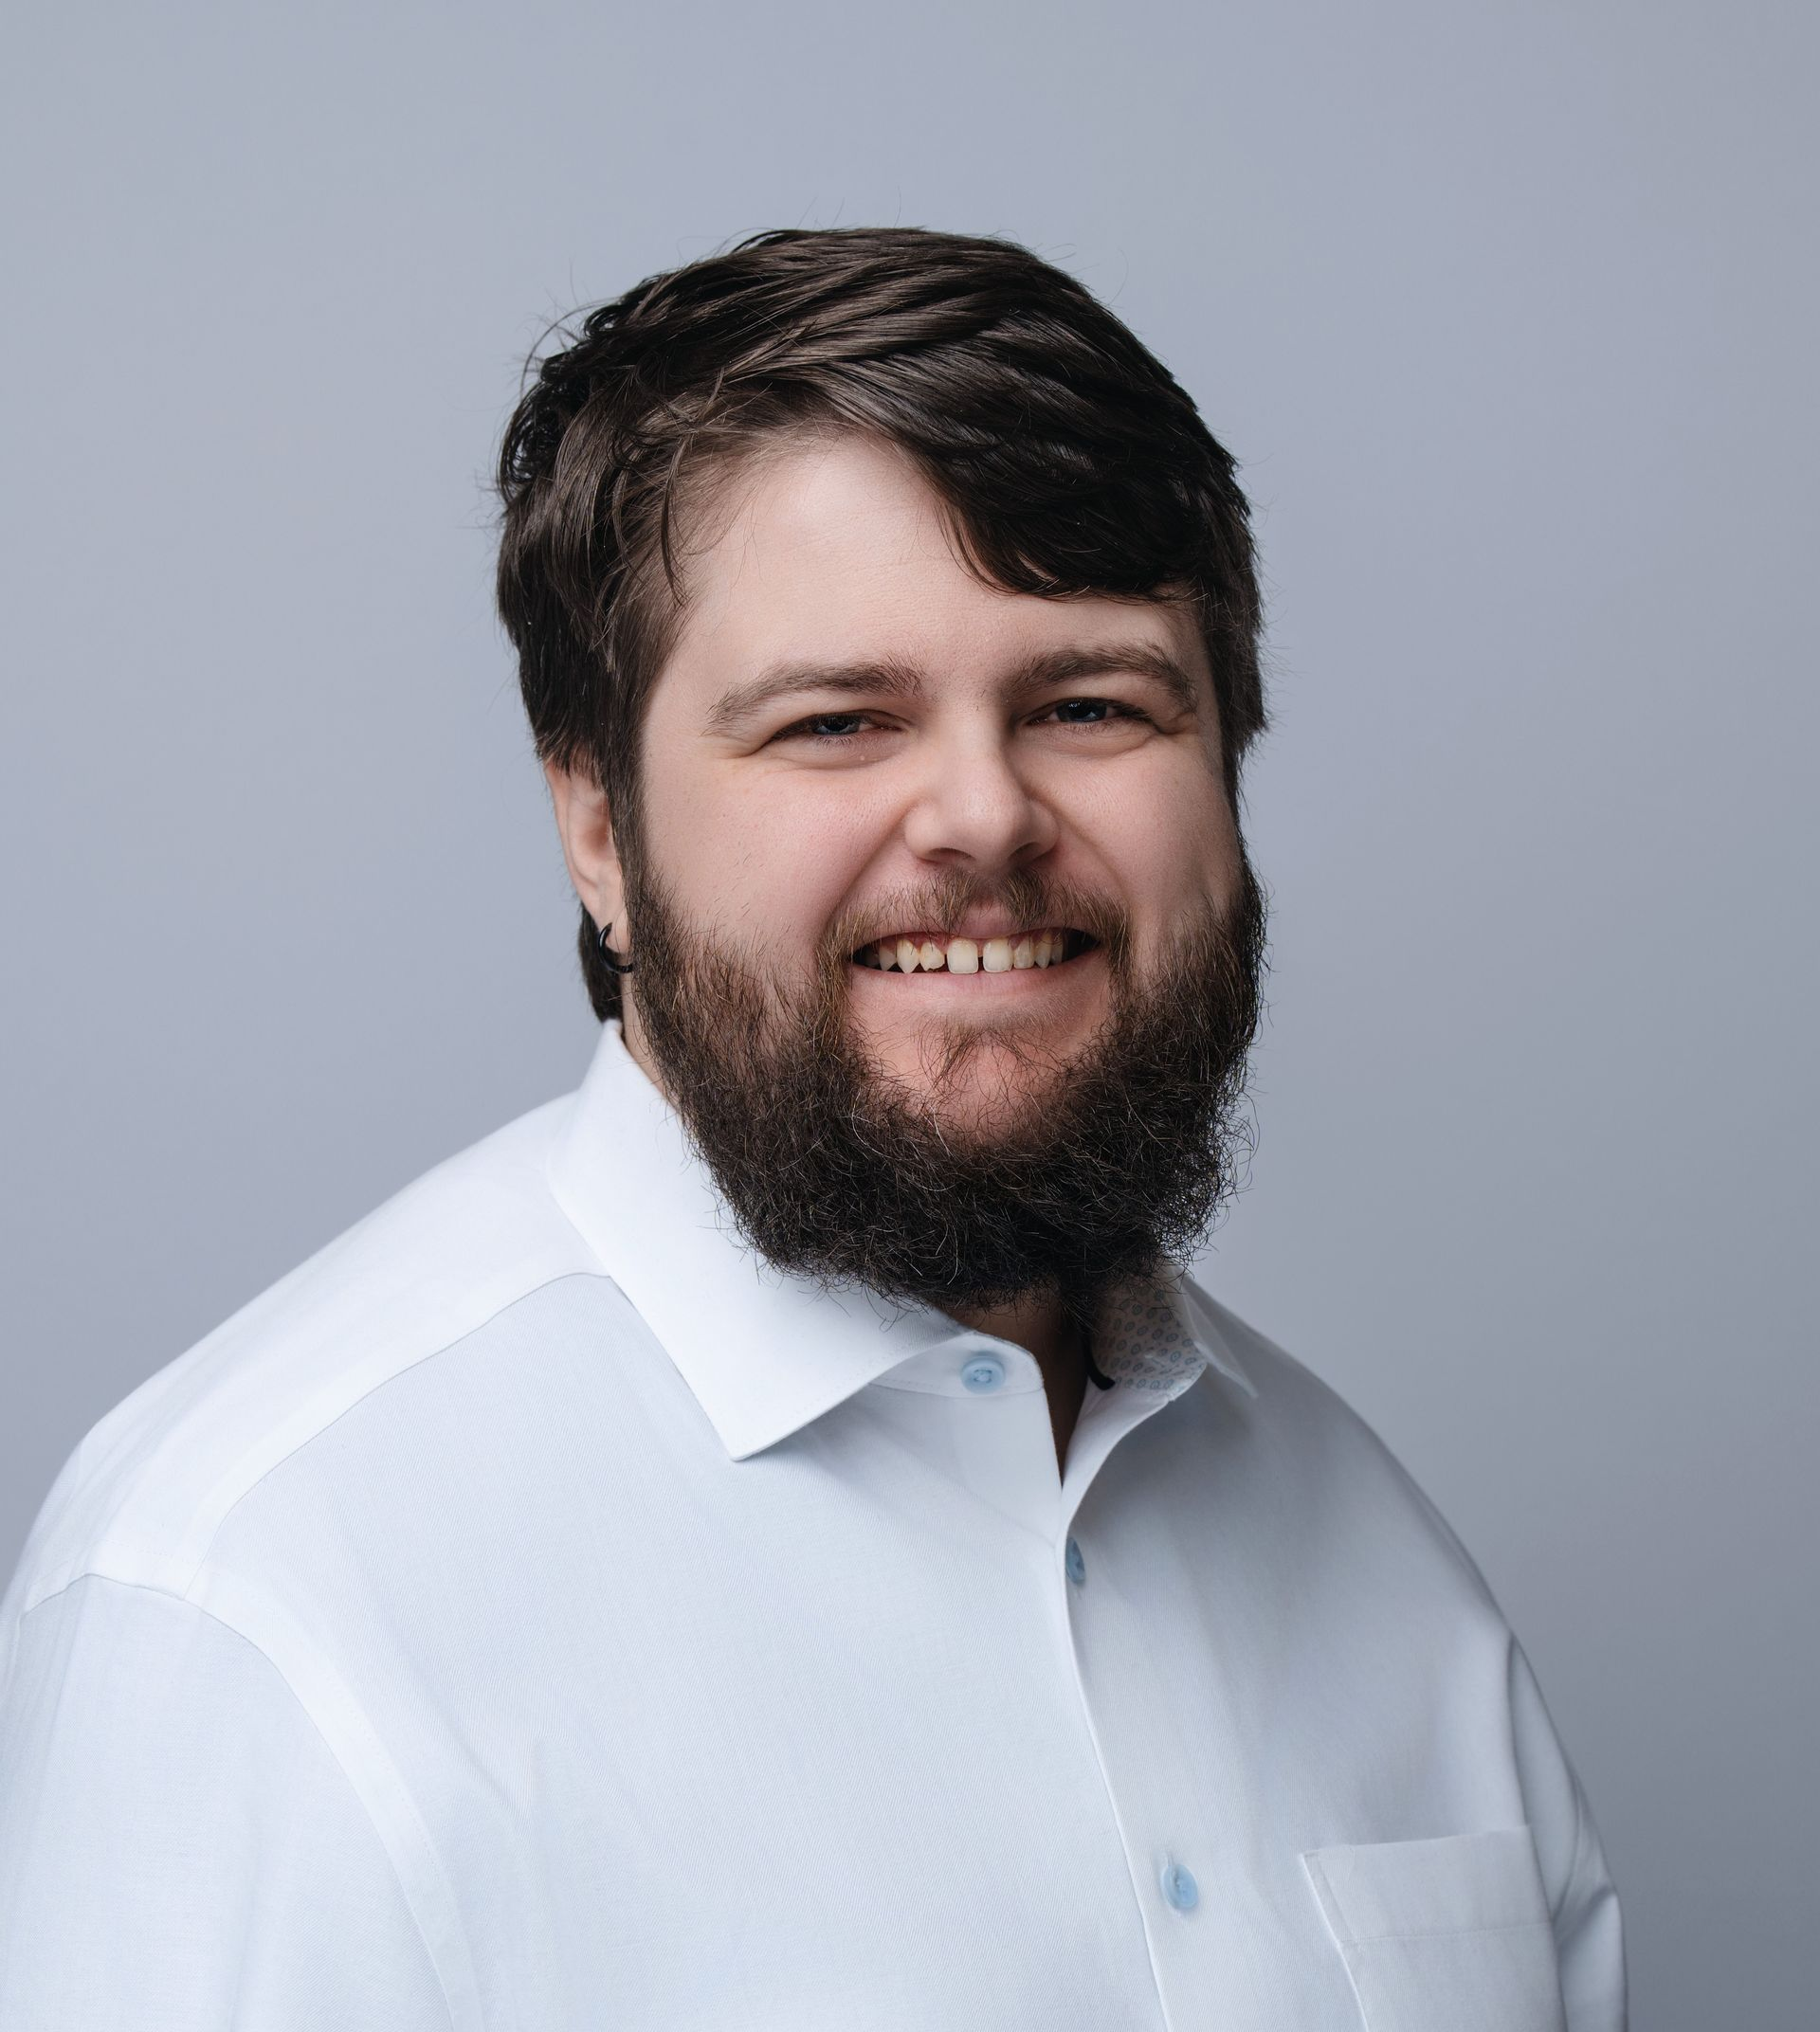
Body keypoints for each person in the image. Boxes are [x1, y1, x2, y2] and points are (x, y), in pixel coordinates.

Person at [0, 226, 1627, 2029]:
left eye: (1091, 703)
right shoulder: (268, 1596)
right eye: (838, 721)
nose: (984, 820)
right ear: (600, 828)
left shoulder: (1392, 1583)